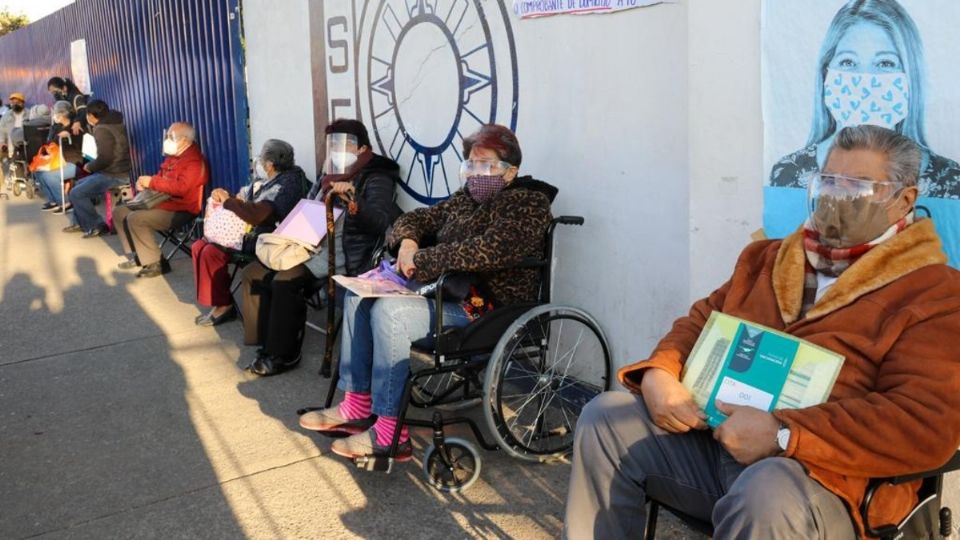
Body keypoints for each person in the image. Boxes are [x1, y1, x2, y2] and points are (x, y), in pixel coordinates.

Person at [564, 125, 960, 539]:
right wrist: (660, 373)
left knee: (766, 491)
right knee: (606, 417)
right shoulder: (766, 258)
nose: (835, 197)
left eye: (857, 187)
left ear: (905, 200)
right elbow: (701, 321)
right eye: (828, 181)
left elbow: (921, 424)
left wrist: (784, 435)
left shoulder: (936, 293)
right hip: (717, 440)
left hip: (829, 483)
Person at [298, 124, 557, 462]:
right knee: (358, 294)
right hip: (447, 290)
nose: (477, 172)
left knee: (390, 313)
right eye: (472, 164)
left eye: (487, 164)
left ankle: (391, 431)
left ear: (511, 171)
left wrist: (420, 259)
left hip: (488, 306)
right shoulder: (466, 198)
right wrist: (408, 241)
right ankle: (357, 405)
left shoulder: (528, 203)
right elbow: (418, 218)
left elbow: (489, 251)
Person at [240, 119, 402, 376]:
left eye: (344, 144)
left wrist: (353, 199)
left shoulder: (376, 176)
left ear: (361, 148)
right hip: (311, 242)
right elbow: (309, 204)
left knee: (285, 280)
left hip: (345, 252)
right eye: (333, 144)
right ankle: (265, 343)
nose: (337, 150)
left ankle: (284, 354)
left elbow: (380, 221)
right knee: (253, 274)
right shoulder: (330, 171)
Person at [769, 0, 960, 199]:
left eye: (885, 63)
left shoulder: (949, 179)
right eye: (848, 62)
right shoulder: (788, 173)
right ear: (826, 73)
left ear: (910, 76)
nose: (865, 80)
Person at [191, 139, 305, 326]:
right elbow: (245, 198)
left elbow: (258, 215)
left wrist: (229, 202)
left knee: (211, 252)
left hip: (266, 239)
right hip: (249, 231)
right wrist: (224, 195)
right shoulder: (269, 180)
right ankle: (220, 301)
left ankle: (224, 306)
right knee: (198, 246)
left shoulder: (286, 185)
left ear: (269, 165)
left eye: (261, 159)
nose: (258, 162)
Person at [112, 122, 209, 278]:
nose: (167, 140)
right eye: (168, 136)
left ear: (184, 140)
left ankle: (156, 262)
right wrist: (145, 183)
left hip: (181, 209)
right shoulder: (174, 157)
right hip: (162, 202)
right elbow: (161, 177)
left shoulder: (195, 162)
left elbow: (182, 188)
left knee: (136, 219)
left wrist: (153, 182)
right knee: (119, 212)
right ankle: (138, 255)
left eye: (171, 137)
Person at [63, 100, 132, 238]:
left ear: (92, 116)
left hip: (114, 174)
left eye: (87, 115)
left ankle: (97, 225)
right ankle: (81, 222)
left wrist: (89, 166)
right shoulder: (115, 122)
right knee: (77, 185)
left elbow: (105, 158)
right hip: (116, 170)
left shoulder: (101, 129)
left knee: (76, 193)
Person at [37, 101, 83, 212]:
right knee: (38, 172)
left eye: (56, 113)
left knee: (48, 176)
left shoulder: (75, 128)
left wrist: (68, 136)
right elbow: (50, 144)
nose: (54, 116)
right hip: (58, 161)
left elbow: (76, 148)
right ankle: (53, 200)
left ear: (63, 114)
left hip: (73, 163)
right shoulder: (57, 127)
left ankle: (65, 202)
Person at [0, 92, 27, 180]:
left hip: (27, 145)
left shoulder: (30, 114)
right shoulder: (6, 117)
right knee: (12, 163)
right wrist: (2, 142)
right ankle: (11, 178)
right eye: (13, 103)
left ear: (23, 103)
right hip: (12, 146)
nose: (15, 104)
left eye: (17, 102)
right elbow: (1, 131)